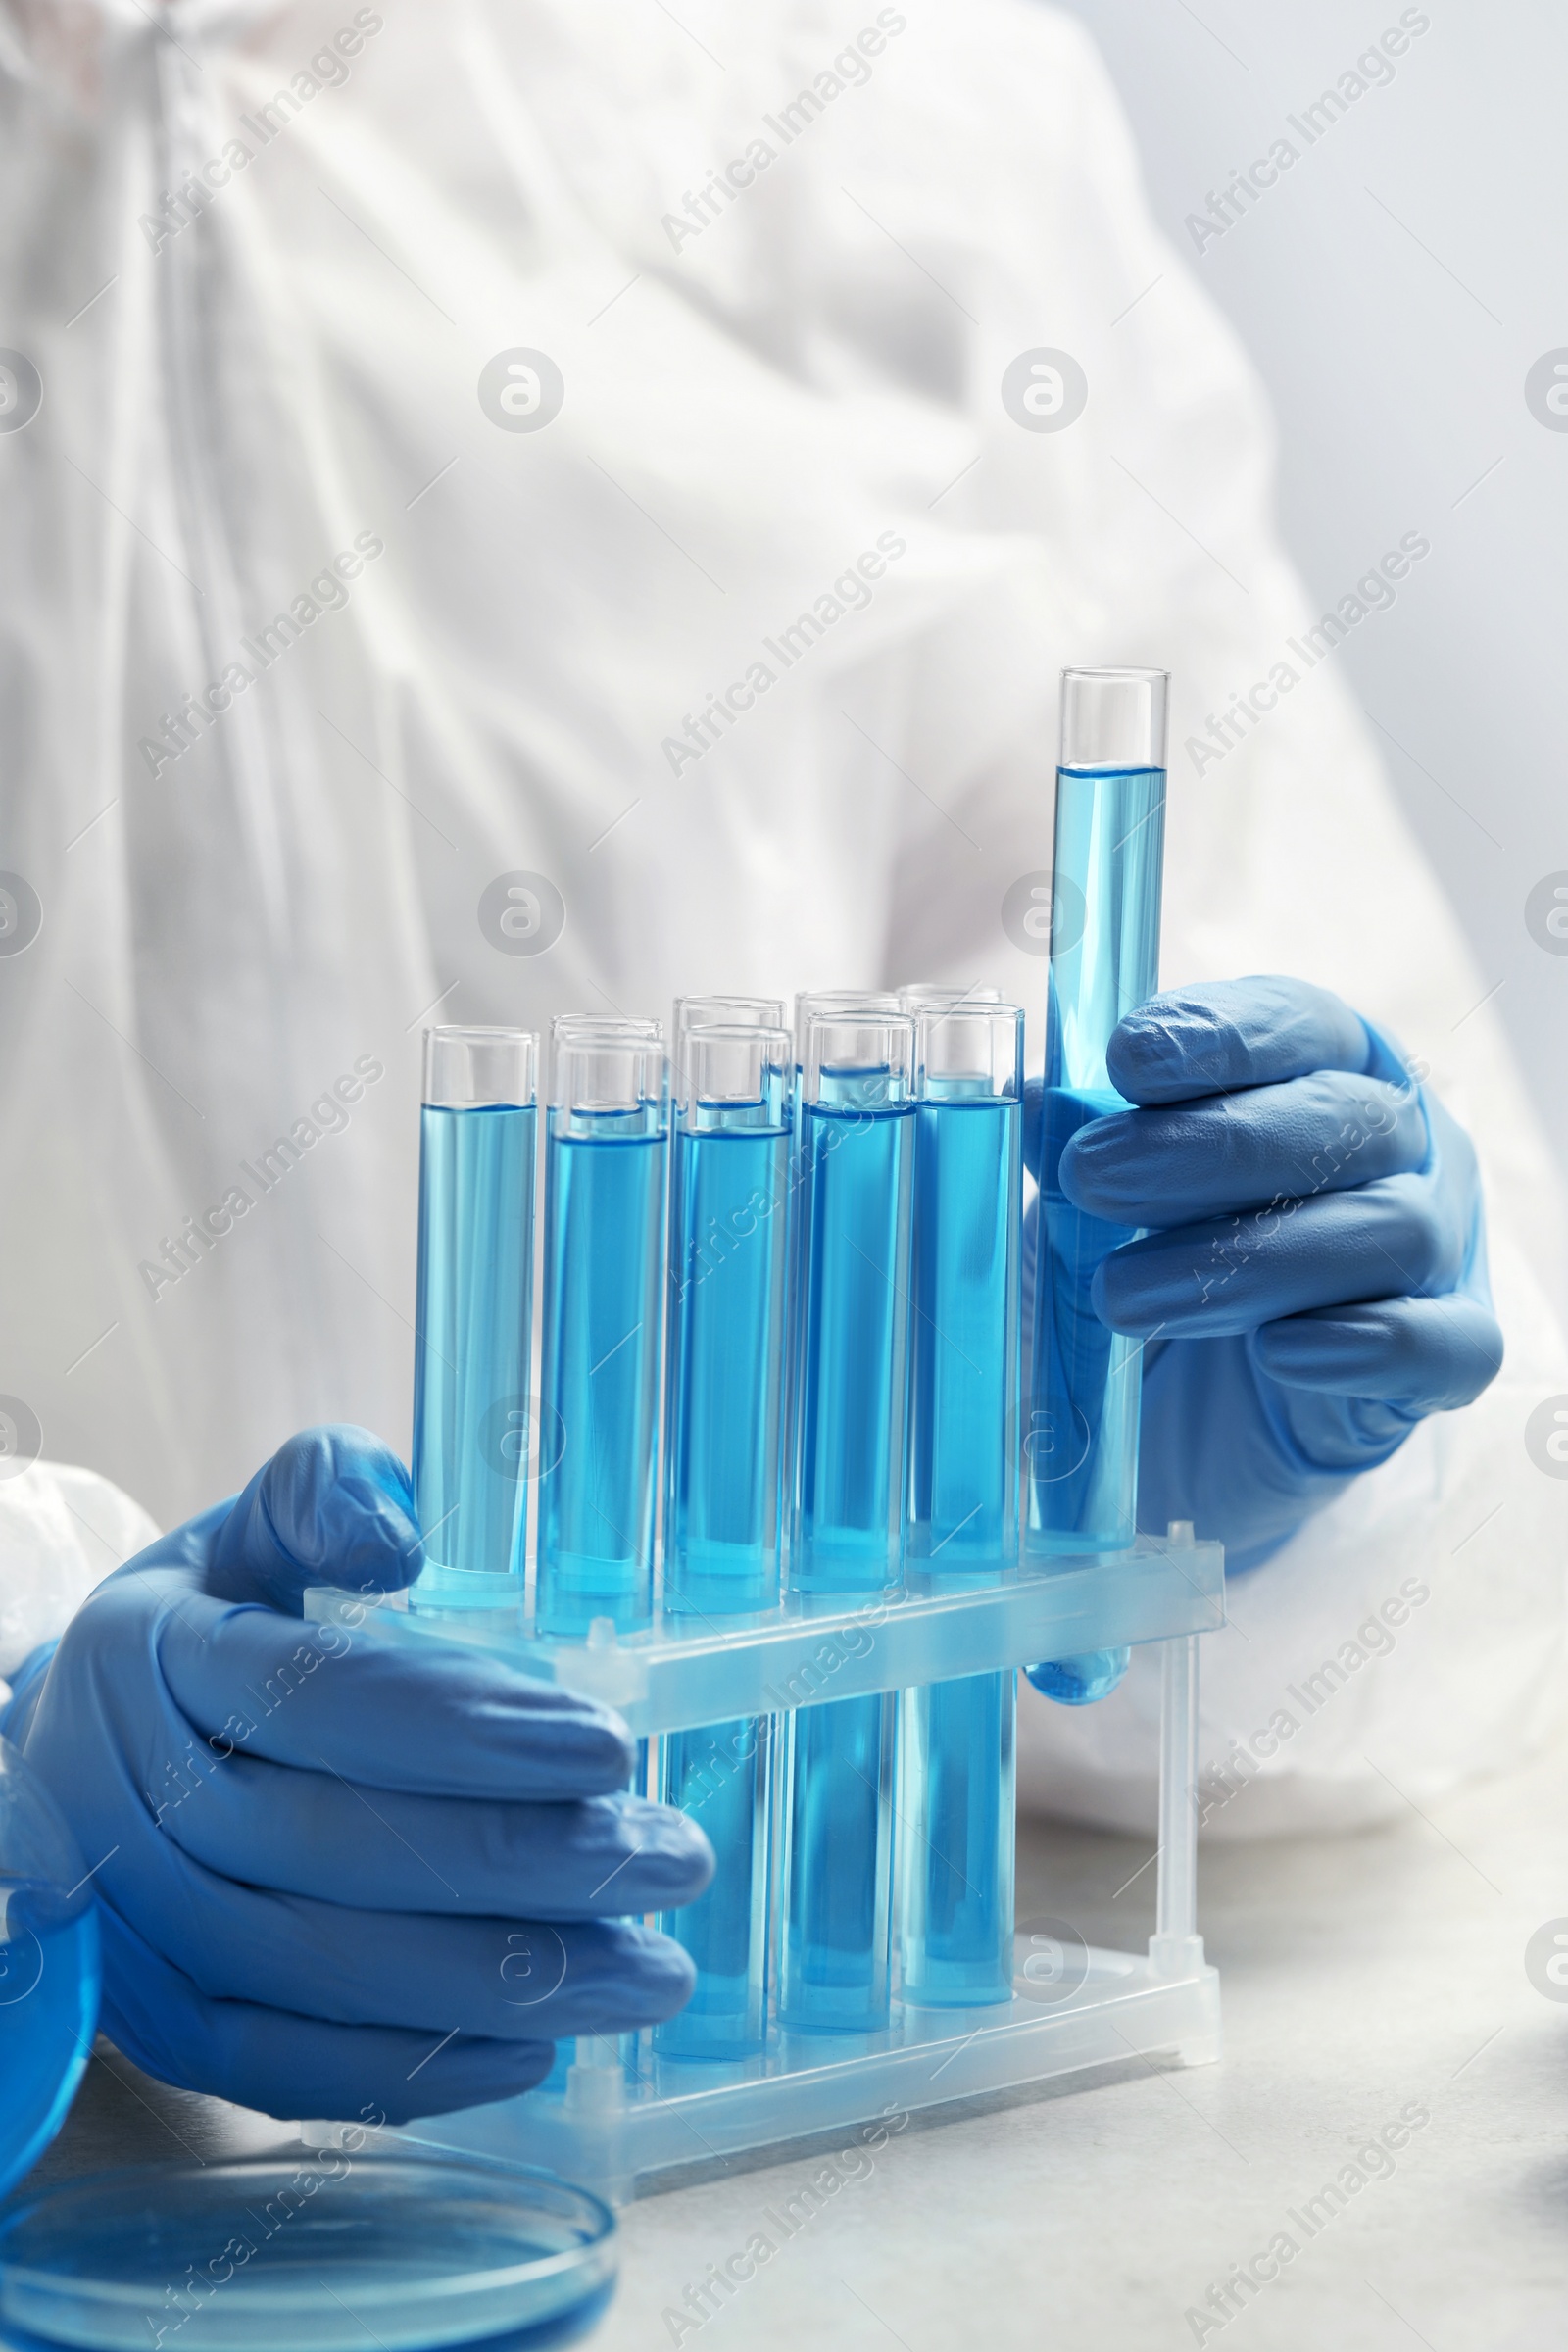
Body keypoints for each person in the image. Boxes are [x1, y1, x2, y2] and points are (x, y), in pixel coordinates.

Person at [1, 0, 1563, 2120]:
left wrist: (1257, 1475)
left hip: (769, 2106)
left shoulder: (866, 89)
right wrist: (25, 1752)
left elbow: (1435, 1580)